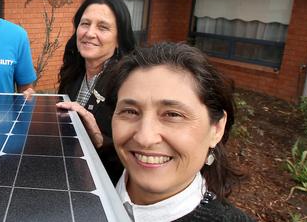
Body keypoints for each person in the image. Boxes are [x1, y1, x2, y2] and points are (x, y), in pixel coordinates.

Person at [65, 42, 254, 221]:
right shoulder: (83, 176)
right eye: (130, 111)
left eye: (173, 114)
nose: (145, 138)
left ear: (217, 129)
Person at [57, 0, 136, 183]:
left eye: (103, 27)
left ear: (119, 39)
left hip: (108, 185)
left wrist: (100, 140)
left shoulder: (129, 84)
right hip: (73, 176)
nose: (90, 33)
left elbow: (137, 153)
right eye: (85, 24)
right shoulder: (72, 75)